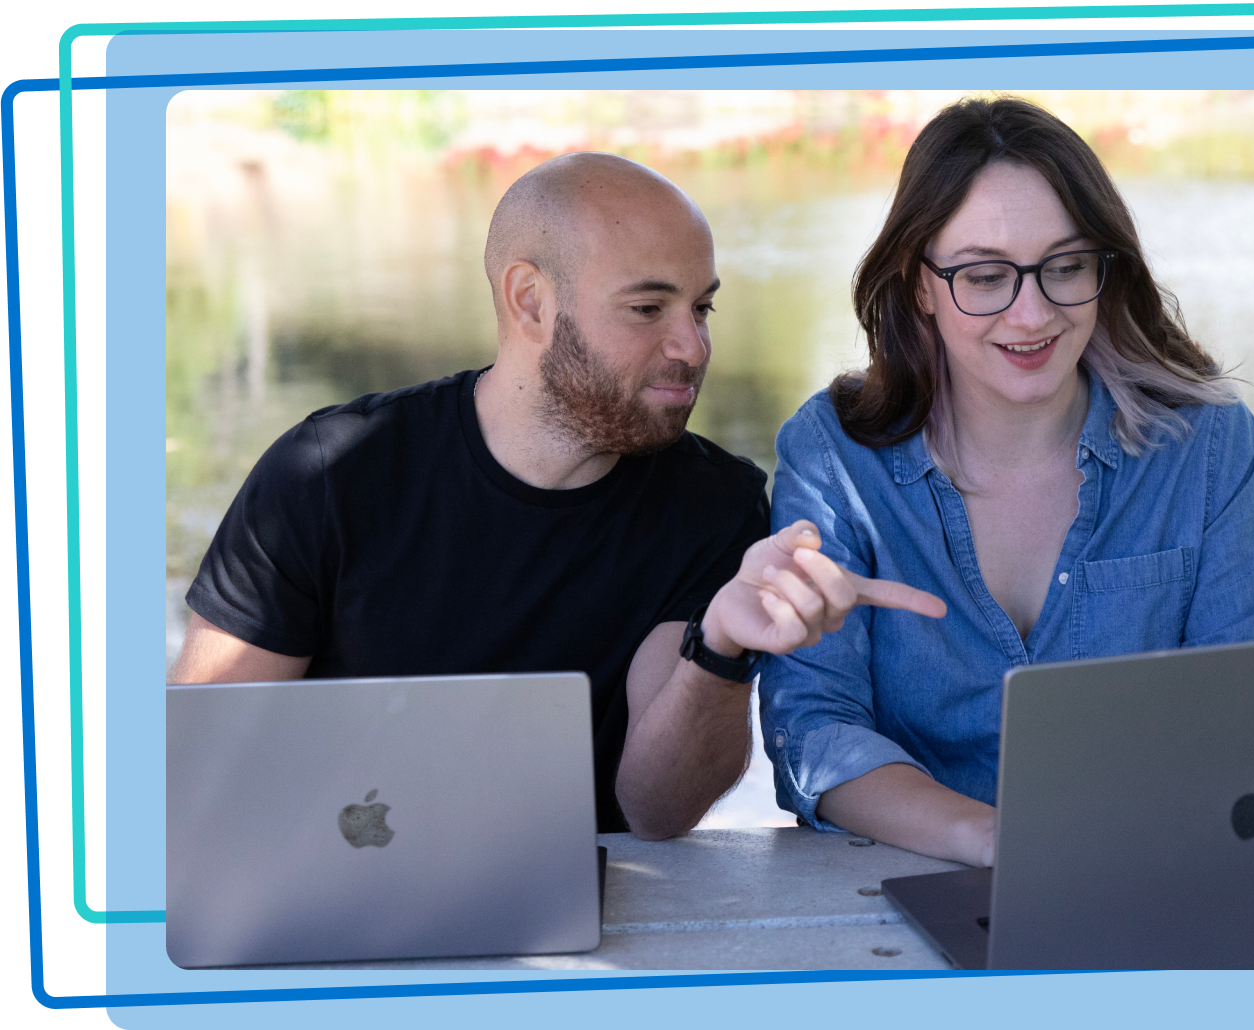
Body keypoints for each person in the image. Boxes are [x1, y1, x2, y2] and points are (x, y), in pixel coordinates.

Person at [172, 152, 945, 840]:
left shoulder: (714, 505)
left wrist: (721, 647)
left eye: (701, 307)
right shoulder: (328, 475)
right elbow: (203, 763)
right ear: (531, 302)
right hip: (328, 892)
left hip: (576, 932)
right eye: (649, 309)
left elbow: (656, 810)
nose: (694, 346)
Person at [760, 96, 1254, 867]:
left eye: (1066, 265)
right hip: (900, 892)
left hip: (1156, 878)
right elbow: (812, 729)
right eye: (984, 276)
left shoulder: (1206, 447)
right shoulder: (835, 452)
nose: (1032, 313)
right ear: (919, 284)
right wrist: (998, 841)